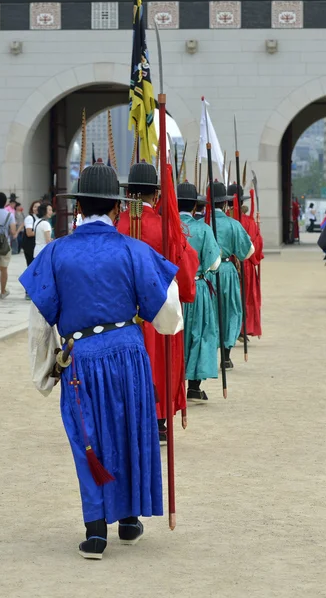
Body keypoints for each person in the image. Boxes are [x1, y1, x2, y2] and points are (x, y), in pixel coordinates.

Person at [19, 160, 183, 559]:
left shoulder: (55, 253)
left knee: (87, 439)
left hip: (81, 358)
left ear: (78, 208)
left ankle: (95, 532)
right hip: (128, 353)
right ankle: (129, 522)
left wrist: (45, 372)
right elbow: (169, 316)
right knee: (132, 431)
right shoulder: (136, 250)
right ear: (115, 208)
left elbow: (39, 321)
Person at [118, 162, 199, 443]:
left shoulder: (118, 224)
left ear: (129, 192)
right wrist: (186, 292)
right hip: (159, 310)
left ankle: (129, 419)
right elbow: (184, 266)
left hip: (123, 311)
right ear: (155, 194)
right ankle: (160, 419)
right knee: (160, 360)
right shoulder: (165, 227)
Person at [177, 181, 220, 402]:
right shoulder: (203, 228)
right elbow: (214, 264)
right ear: (195, 206)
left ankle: (175, 384)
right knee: (200, 334)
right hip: (197, 287)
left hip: (173, 290)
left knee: (176, 336)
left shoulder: (169, 226)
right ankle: (194, 386)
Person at [206, 181, 254, 369]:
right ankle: (226, 355)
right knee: (231, 310)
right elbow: (248, 251)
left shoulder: (204, 223)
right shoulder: (233, 224)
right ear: (225, 204)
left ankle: (210, 352)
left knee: (210, 312)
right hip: (227, 270)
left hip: (207, 273)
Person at [227, 184, 264, 340]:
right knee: (244, 297)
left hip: (227, 264)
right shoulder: (248, 222)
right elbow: (256, 246)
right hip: (245, 264)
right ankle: (242, 328)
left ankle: (231, 329)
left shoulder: (223, 220)